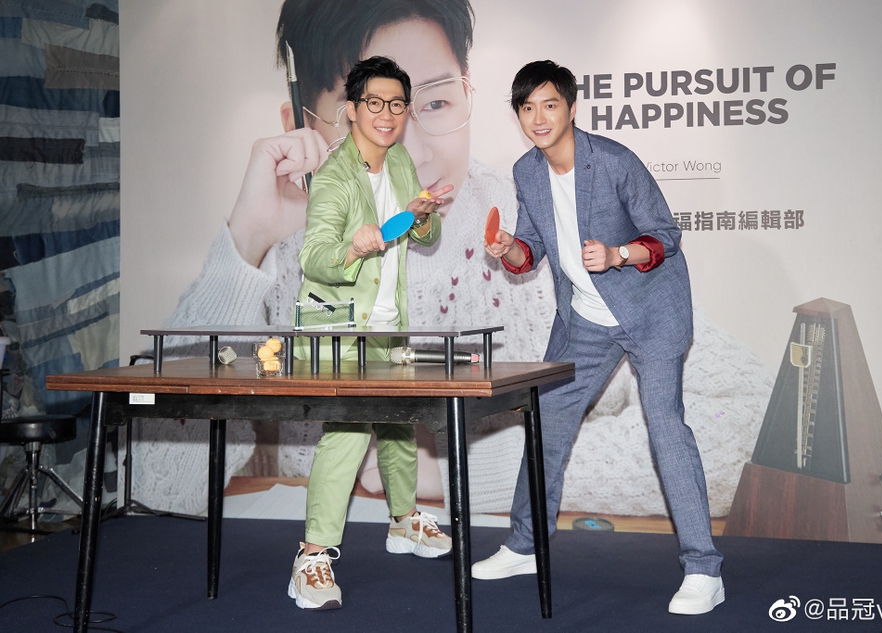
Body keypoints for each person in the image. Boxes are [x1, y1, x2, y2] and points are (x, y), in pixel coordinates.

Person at [134, 0, 772, 535]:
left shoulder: (534, 215)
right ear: (303, 123)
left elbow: (743, 421)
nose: (409, 148)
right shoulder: (284, 255)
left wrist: (470, 472)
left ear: (468, 90)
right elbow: (156, 482)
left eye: (435, 104)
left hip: (498, 556)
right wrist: (245, 244)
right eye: (371, 113)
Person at [475, 60, 725, 616]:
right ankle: (526, 546)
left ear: (570, 107)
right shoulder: (526, 171)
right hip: (585, 319)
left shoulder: (612, 160)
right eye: (527, 108)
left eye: (549, 105)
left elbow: (665, 236)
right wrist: (508, 247)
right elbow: (530, 252)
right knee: (545, 422)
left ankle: (704, 569)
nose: (539, 118)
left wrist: (618, 254)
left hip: (651, 312)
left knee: (666, 427)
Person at [287, 56, 454, 611]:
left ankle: (404, 521)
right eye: (375, 103)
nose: (387, 114)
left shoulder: (399, 158)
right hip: (339, 330)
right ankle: (311, 557)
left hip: (385, 325)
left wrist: (422, 214)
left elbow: (421, 234)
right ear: (353, 109)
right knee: (350, 430)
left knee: (399, 421)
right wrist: (353, 248)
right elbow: (313, 258)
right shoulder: (335, 176)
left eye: (397, 104)